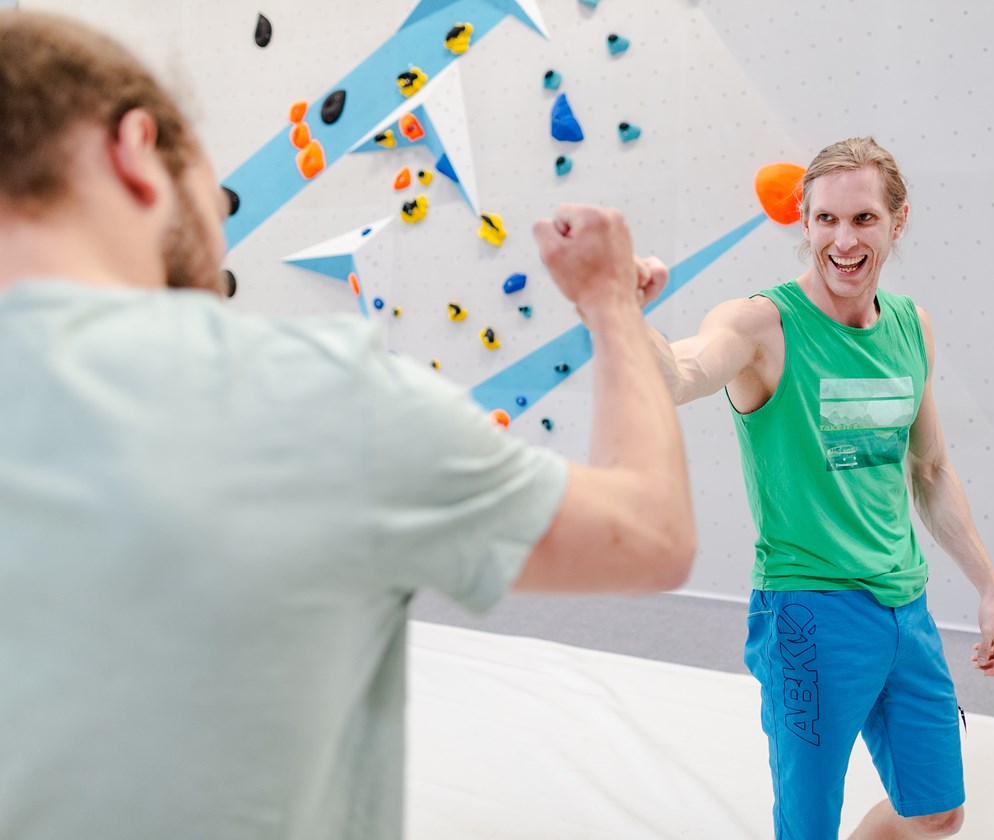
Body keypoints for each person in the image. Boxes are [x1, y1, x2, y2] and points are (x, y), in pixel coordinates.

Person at [0, 10, 694, 839]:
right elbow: (650, 534)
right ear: (137, 153)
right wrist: (610, 304)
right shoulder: (316, 395)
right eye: (212, 190)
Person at [640, 137, 994, 839]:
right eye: (827, 220)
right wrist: (622, 315)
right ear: (803, 221)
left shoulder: (912, 326)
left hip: (906, 608)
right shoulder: (762, 325)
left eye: (865, 219)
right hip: (809, 615)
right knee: (805, 827)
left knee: (937, 812)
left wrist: (988, 588)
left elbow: (929, 470)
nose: (844, 240)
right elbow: (681, 372)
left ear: (897, 223)